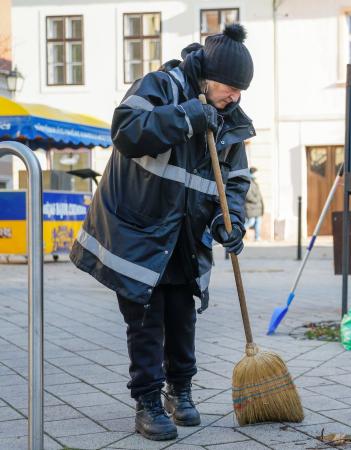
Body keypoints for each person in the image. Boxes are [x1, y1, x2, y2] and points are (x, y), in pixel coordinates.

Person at [70, 24, 254, 441]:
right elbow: (126, 129)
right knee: (146, 320)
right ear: (207, 77)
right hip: (140, 232)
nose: (236, 96)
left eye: (242, 90)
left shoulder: (230, 120)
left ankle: (180, 391)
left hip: (185, 238)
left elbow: (236, 182)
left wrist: (233, 221)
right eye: (230, 86)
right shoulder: (161, 86)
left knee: (182, 316)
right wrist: (187, 116)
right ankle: (148, 401)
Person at [245, 167, 264, 241]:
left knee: (258, 222)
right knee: (251, 222)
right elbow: (248, 195)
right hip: (251, 207)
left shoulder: (254, 182)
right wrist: (256, 200)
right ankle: (238, 233)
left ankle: (257, 237)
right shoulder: (249, 182)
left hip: (256, 207)